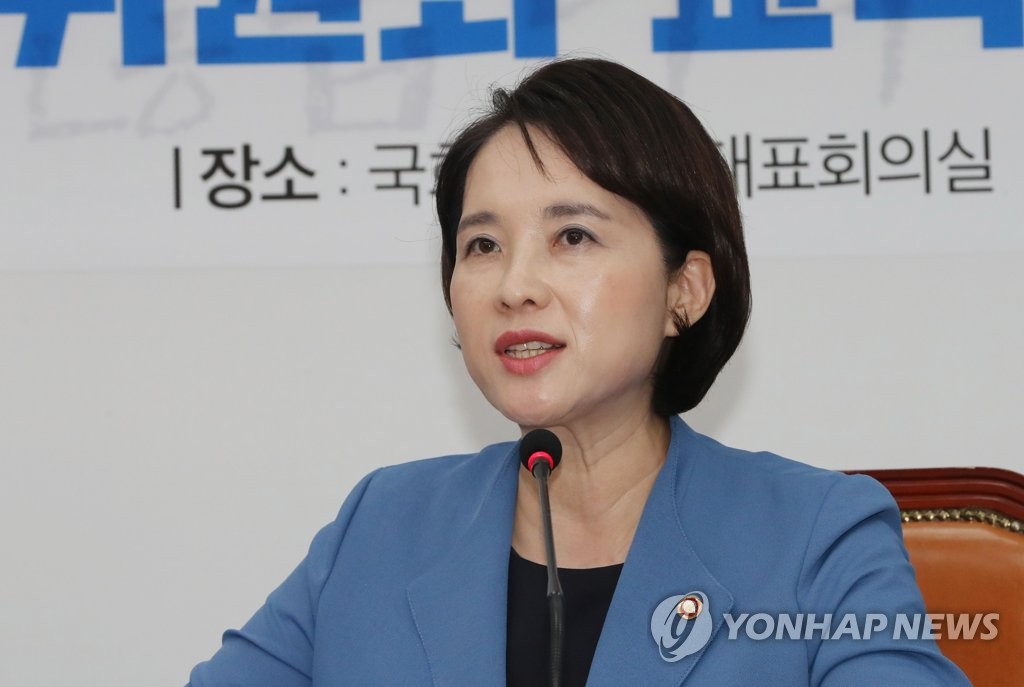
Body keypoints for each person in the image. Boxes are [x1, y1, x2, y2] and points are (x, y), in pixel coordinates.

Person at [187, 58, 971, 686]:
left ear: (685, 289)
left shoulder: (817, 537)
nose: (514, 285)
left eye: (572, 237)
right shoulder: (382, 525)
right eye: (482, 245)